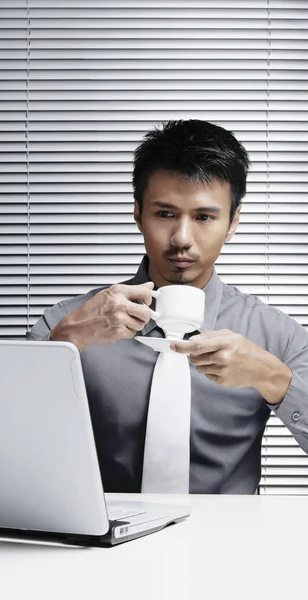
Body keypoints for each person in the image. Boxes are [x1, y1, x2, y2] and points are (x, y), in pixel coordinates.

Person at [30, 119, 308, 494]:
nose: (182, 239)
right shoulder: (67, 321)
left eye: (204, 217)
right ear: (137, 213)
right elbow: (2, 441)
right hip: (100, 546)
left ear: (232, 223)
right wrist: (63, 344)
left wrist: (274, 379)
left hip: (231, 547)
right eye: (164, 214)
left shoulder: (274, 334)